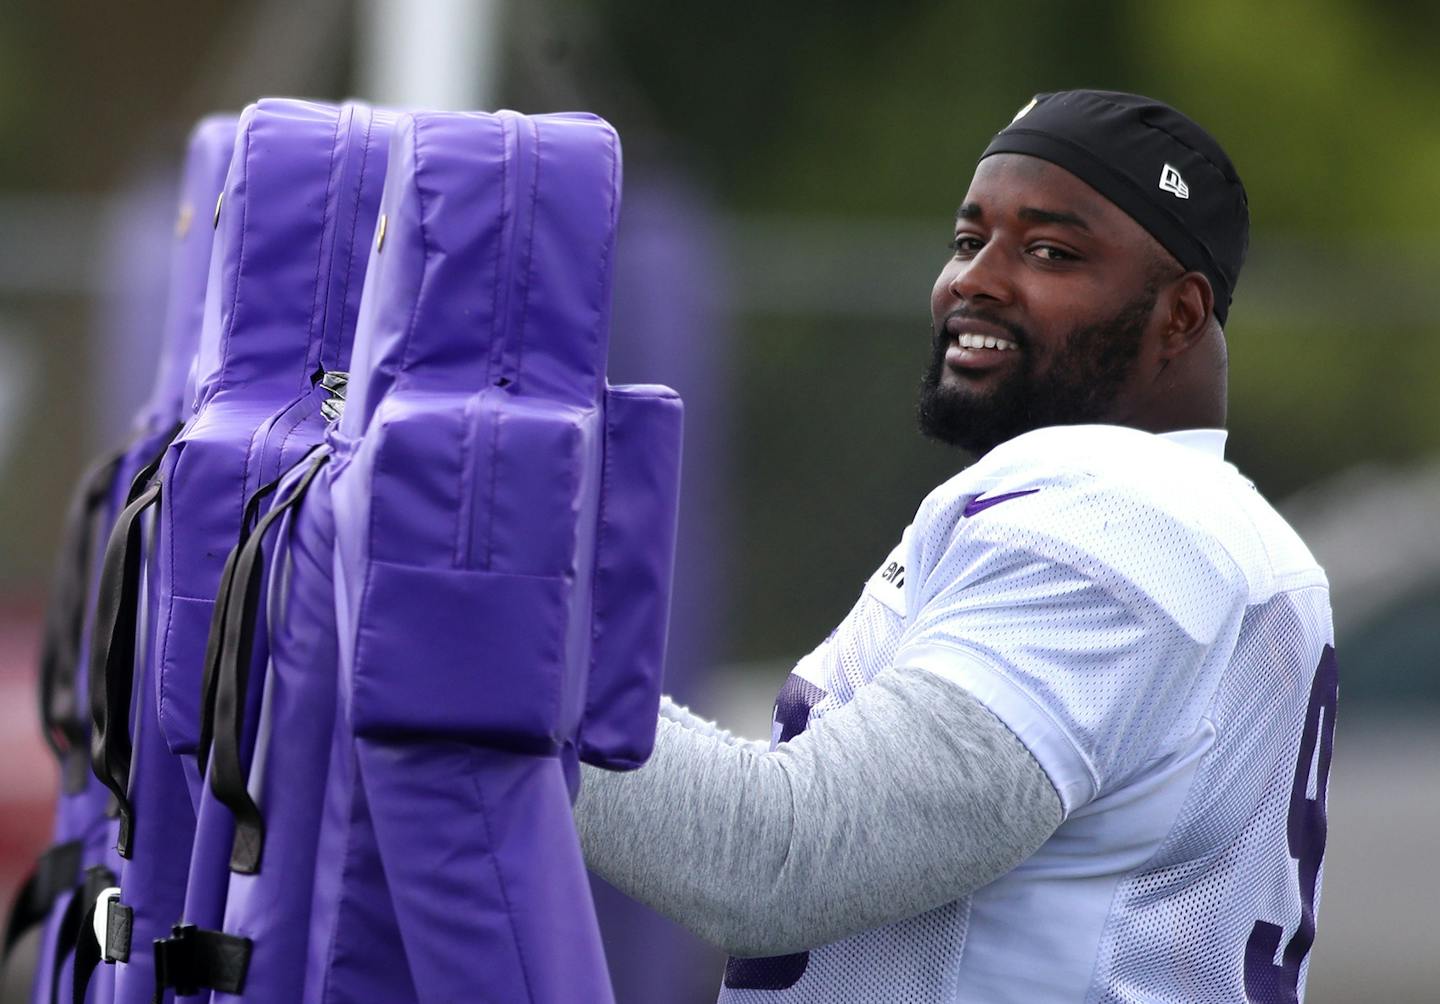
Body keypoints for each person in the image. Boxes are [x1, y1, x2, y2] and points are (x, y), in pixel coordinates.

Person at [576, 90, 1336, 1003]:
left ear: (1178, 317)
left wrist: (494, 669)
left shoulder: (1117, 514)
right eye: (969, 240)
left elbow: (783, 860)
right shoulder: (1198, 520)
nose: (975, 278)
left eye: (1051, 251)